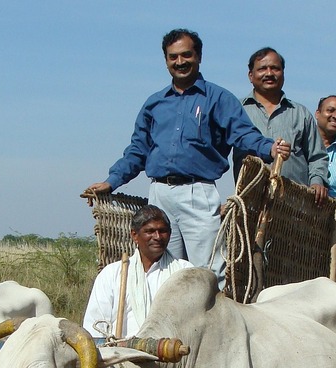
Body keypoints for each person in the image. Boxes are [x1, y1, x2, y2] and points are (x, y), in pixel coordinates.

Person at [83, 29, 291, 283]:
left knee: (207, 272)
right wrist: (112, 180)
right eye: (173, 57)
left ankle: (210, 323)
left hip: (198, 193)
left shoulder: (218, 98)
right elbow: (138, 150)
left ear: (198, 56)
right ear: (166, 60)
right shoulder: (154, 104)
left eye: (186, 55)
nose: (180, 62)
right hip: (160, 194)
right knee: (161, 271)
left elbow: (243, 134)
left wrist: (269, 148)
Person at [83, 205, 193, 339]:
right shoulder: (113, 274)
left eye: (162, 231)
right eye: (150, 231)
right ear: (135, 235)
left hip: (171, 353)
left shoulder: (185, 272)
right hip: (122, 354)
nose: (157, 237)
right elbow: (95, 328)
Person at [234, 47, 328, 202]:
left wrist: (317, 182)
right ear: (251, 75)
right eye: (262, 68)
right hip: (249, 201)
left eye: (275, 68)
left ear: (283, 73)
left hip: (294, 206)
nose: (269, 73)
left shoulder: (300, 114)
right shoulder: (237, 111)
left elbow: (317, 156)